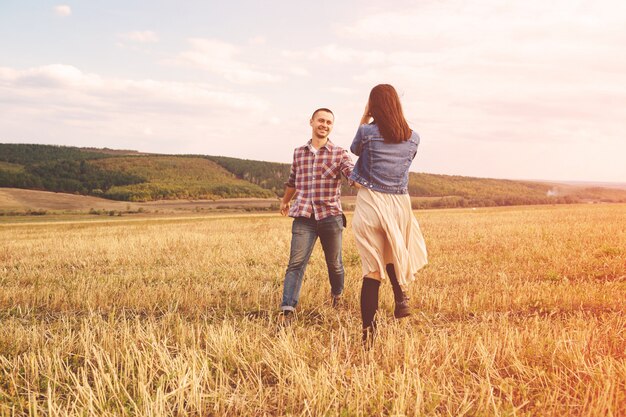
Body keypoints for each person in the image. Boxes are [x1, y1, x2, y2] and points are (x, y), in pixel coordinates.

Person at [349, 84, 428, 344]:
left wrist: (364, 116)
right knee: (393, 252)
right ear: (397, 104)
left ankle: (368, 335)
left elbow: (355, 149)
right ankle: (400, 295)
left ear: (373, 105)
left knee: (372, 269)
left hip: (371, 201)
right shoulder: (414, 137)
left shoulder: (366, 132)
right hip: (399, 204)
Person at [279, 108, 354, 319]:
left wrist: (358, 179)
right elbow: (293, 180)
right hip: (304, 217)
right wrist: (285, 201)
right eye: (321, 120)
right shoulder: (298, 152)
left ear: (332, 126)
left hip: (331, 217)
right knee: (296, 263)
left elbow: (350, 172)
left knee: (335, 264)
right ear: (311, 122)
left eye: (329, 122)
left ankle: (337, 294)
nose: (325, 125)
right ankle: (288, 308)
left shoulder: (340, 153)